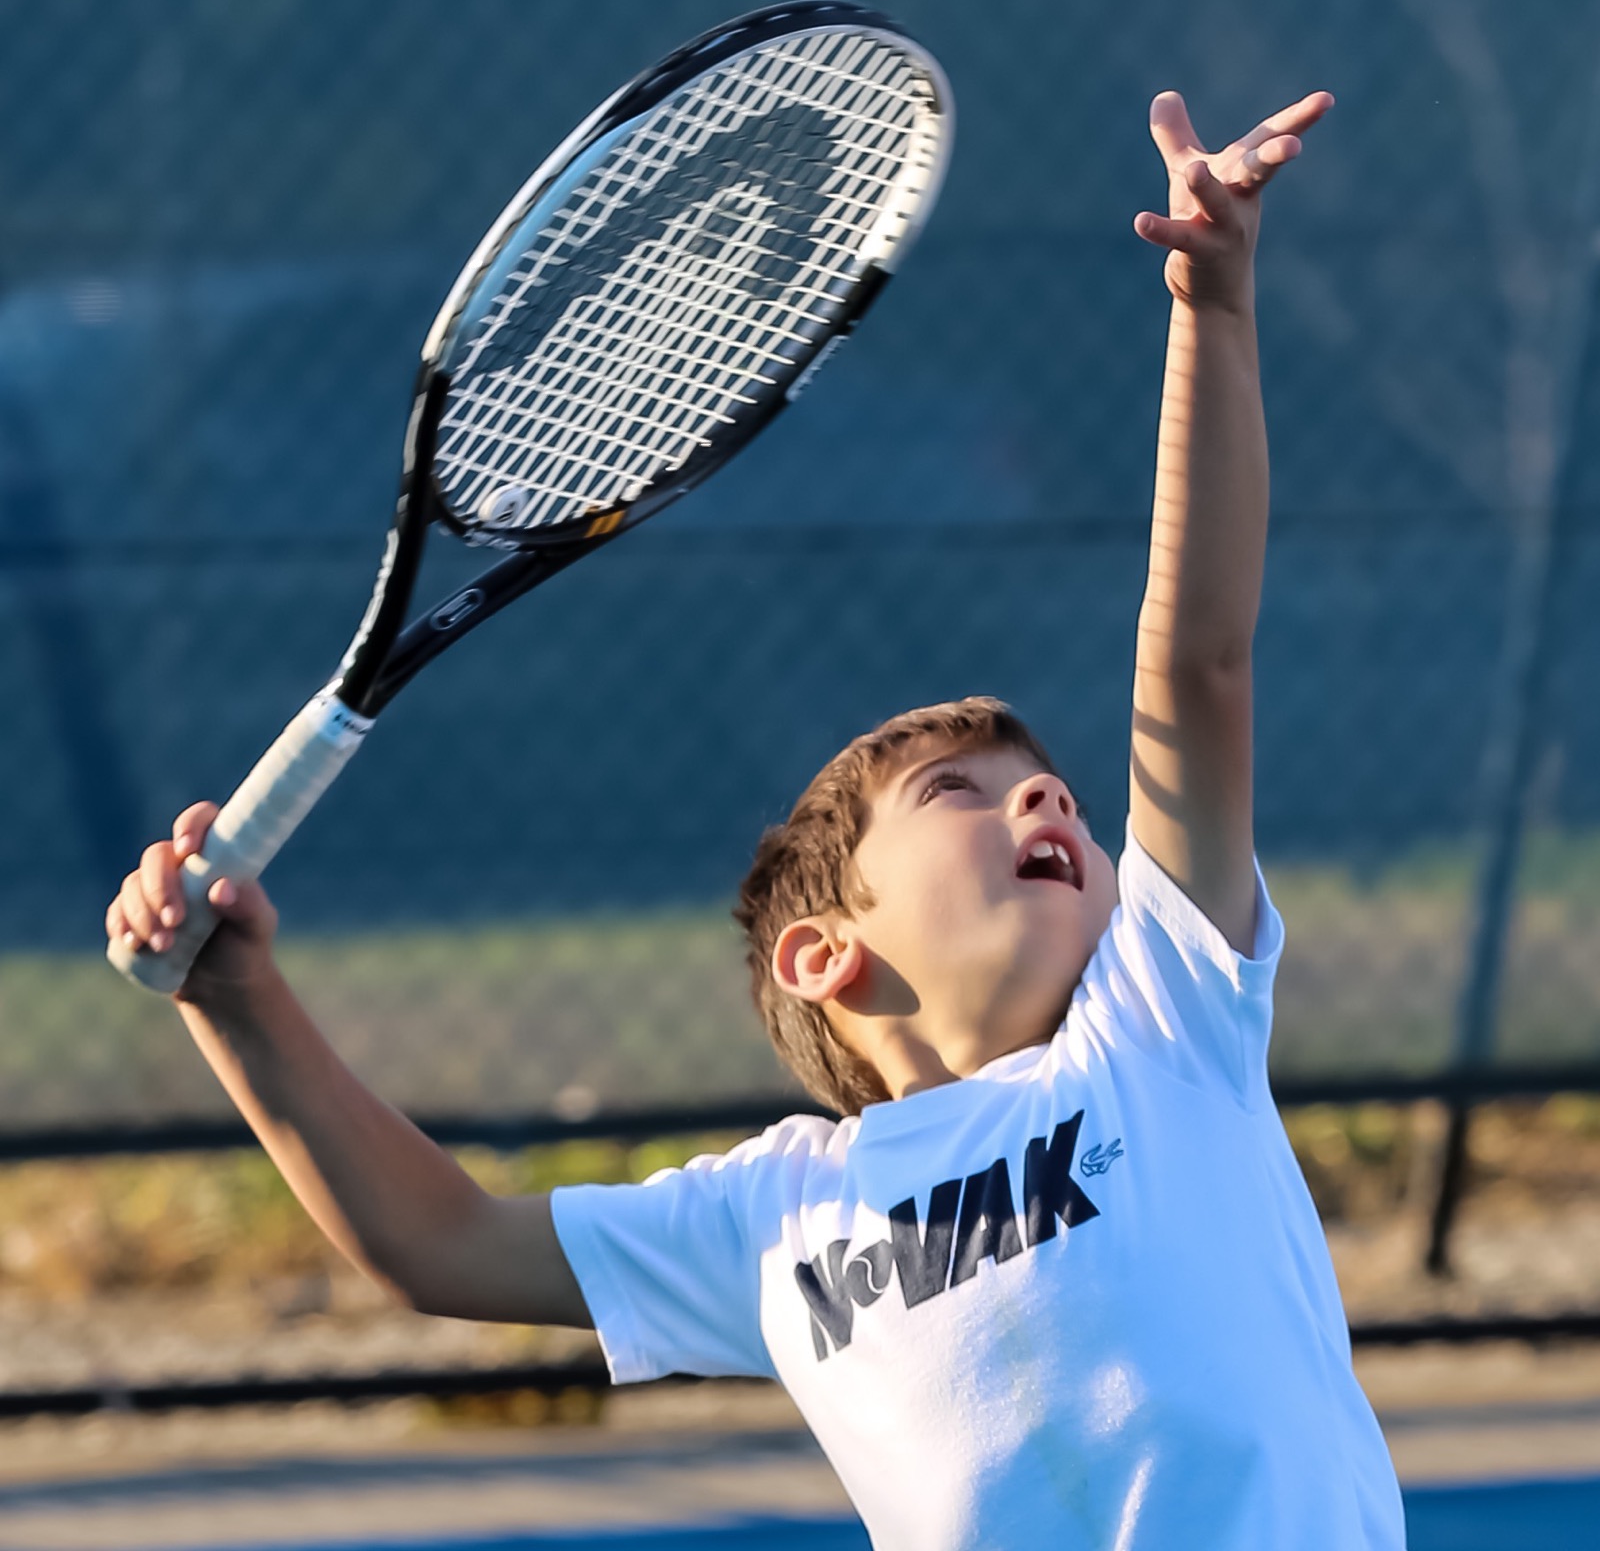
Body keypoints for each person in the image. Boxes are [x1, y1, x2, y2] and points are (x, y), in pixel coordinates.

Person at [107, 88, 1406, 1548]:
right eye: (955, 794)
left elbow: (1195, 665)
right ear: (822, 955)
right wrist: (238, 997)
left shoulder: (1164, 1029)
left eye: (1056, 792)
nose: (1045, 796)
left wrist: (1212, 312)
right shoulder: (780, 1217)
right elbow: (441, 1242)